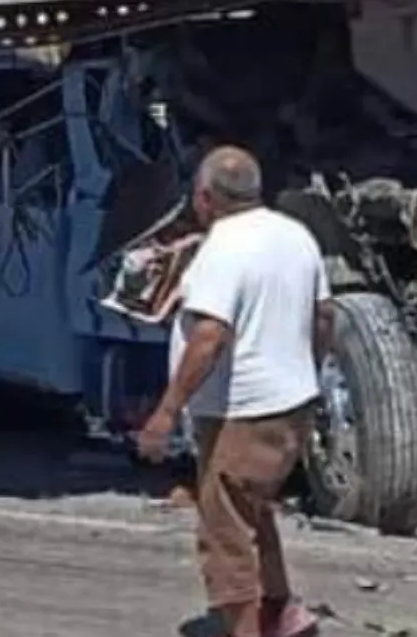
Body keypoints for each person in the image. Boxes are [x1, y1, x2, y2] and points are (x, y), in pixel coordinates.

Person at [137, 146, 334, 637]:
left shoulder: (223, 247)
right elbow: (325, 315)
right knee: (253, 511)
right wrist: (305, 369)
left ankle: (245, 629)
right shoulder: (296, 235)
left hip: (243, 413)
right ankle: (283, 611)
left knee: (224, 534)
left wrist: (165, 413)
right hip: (292, 404)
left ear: (205, 198)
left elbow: (209, 337)